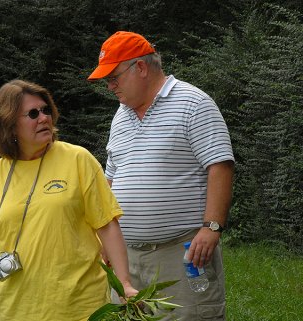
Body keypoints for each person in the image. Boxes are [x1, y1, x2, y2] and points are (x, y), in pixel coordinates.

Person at [0, 79, 138, 321]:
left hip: (80, 307)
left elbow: (106, 224)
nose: (43, 118)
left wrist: (124, 283)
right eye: (33, 113)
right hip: (18, 309)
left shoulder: (78, 159)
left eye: (46, 110)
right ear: (9, 124)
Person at [87, 31, 235, 321]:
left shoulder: (193, 103)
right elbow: (111, 179)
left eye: (114, 77)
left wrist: (212, 227)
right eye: (107, 80)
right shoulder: (120, 116)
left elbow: (220, 165)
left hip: (181, 255)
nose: (110, 86)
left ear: (140, 67)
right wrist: (106, 238)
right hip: (127, 257)